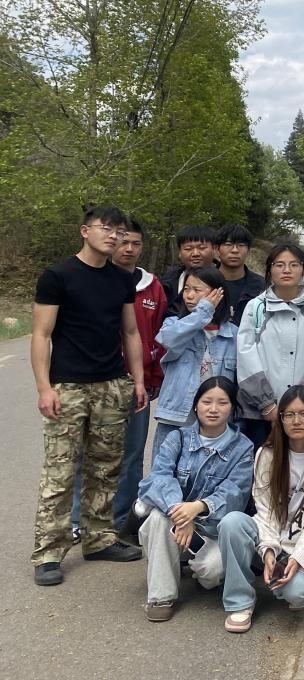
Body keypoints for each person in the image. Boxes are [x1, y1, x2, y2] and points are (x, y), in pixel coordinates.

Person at [31, 205, 147, 586]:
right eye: (106, 228)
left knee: (106, 467)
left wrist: (138, 381)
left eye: (119, 231)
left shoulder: (121, 279)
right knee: (60, 471)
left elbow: (130, 332)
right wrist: (44, 387)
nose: (114, 236)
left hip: (111, 384)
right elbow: (41, 335)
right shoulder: (57, 276)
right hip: (68, 386)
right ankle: (49, 552)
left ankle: (99, 539)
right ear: (85, 231)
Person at [219, 385, 304, 632]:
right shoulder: (267, 453)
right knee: (232, 522)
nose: (296, 421)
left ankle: (292, 582)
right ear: (281, 418)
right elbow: (264, 509)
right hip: (271, 533)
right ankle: (240, 602)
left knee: (297, 594)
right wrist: (268, 550)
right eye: (289, 414)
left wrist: (298, 558)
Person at [134, 376, 254, 621]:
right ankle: (161, 596)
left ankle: (191, 566)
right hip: (173, 522)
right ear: (196, 405)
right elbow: (159, 478)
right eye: (206, 401)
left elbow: (235, 493)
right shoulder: (177, 438)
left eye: (222, 402)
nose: (213, 409)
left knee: (212, 574)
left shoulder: (243, 447)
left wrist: (197, 508)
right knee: (157, 517)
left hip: (211, 531)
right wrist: (180, 512)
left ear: (232, 408)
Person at [236, 243, 304, 448]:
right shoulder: (256, 306)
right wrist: (266, 404)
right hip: (260, 413)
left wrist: (302, 405)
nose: (286, 270)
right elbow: (245, 354)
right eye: (279, 265)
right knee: (263, 462)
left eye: (293, 265)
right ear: (269, 270)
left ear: (303, 269)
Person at [109, 218, 168, 532]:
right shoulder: (95, 279)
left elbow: (159, 336)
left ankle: (122, 519)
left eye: (135, 243)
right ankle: (78, 519)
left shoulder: (152, 286)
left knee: (132, 454)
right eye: (123, 242)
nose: (129, 249)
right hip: (99, 380)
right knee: (88, 452)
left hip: (138, 383)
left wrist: (153, 378)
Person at [152, 267, 236, 456]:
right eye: (186, 289)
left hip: (216, 418)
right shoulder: (173, 323)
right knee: (165, 467)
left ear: (218, 293)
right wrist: (203, 312)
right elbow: (167, 339)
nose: (189, 296)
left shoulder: (233, 334)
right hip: (176, 416)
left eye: (197, 290)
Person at [214, 224, 265, 327]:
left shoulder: (262, 286)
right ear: (216, 249)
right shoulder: (203, 282)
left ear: (248, 250)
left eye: (241, 245)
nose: (235, 250)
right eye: (228, 244)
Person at [160, 224, 215, 312]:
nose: (195, 253)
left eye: (202, 248)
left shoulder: (225, 279)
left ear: (214, 249)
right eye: (188, 249)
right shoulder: (166, 283)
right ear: (180, 253)